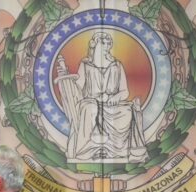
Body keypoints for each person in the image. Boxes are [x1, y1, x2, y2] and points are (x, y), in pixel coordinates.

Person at [56, 31, 147, 163]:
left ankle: (117, 152)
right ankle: (87, 151)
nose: (106, 46)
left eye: (109, 43)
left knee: (126, 111)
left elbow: (124, 92)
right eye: (103, 43)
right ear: (94, 44)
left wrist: (116, 97)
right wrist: (66, 82)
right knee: (90, 108)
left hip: (111, 104)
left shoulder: (116, 65)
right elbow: (78, 88)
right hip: (91, 101)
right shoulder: (85, 64)